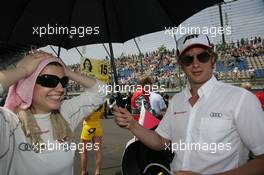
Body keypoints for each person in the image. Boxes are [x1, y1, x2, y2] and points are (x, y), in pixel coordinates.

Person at [114, 34, 264, 175]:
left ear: (213, 59)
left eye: (202, 56)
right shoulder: (177, 101)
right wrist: (132, 124)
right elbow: (160, 142)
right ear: (181, 65)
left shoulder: (241, 99)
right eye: (188, 59)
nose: (195, 64)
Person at [0, 51, 106, 175]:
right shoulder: (8, 123)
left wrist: (68, 72)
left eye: (63, 81)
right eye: (49, 80)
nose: (60, 88)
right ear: (28, 84)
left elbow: (101, 91)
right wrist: (23, 71)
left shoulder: (65, 113)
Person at [80, 104, 105, 175]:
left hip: (88, 127)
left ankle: (84, 172)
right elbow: (102, 116)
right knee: (98, 151)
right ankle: (97, 172)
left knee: (83, 150)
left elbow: (86, 117)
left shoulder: (89, 102)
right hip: (97, 127)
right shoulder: (102, 102)